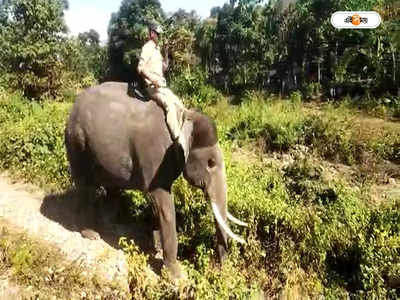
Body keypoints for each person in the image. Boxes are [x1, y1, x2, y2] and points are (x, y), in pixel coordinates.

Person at [137, 23, 186, 144]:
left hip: (162, 87)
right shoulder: (147, 48)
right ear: (152, 33)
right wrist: (154, 80)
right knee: (170, 105)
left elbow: (164, 68)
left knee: (179, 104)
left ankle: (182, 130)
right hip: (153, 88)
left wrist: (166, 52)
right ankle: (177, 139)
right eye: (158, 34)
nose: (159, 36)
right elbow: (140, 68)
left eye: (160, 34)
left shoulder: (157, 49)